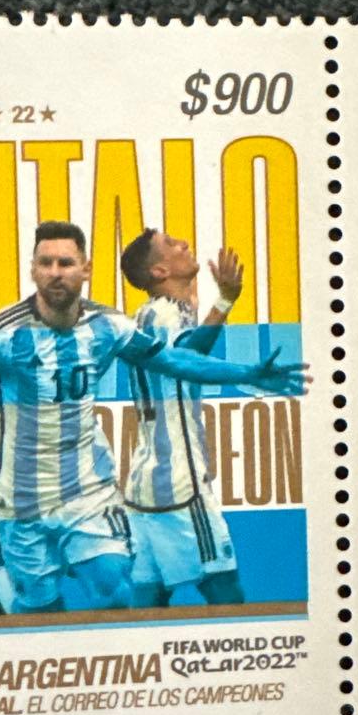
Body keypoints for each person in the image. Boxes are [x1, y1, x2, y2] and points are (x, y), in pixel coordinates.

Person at [0, 221, 308, 616]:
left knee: (114, 587)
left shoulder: (109, 326)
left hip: (87, 491)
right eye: (46, 263)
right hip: (19, 500)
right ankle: (9, 591)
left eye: (66, 263)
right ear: (33, 270)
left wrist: (247, 371)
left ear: (85, 269)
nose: (56, 272)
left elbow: (173, 361)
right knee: (40, 614)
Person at [119, 229, 246, 606]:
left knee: (149, 598)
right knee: (225, 590)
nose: (185, 244)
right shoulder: (162, 312)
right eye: (172, 244)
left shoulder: (153, 314)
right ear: (159, 271)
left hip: (146, 481)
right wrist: (225, 301)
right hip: (179, 480)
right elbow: (186, 357)